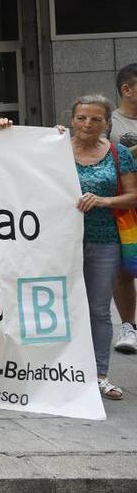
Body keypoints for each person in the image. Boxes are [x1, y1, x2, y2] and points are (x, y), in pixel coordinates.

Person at [68, 94, 135, 400]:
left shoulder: (119, 153)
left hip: (104, 240)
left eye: (96, 119)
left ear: (107, 123)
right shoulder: (54, 149)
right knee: (63, 307)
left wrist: (104, 201)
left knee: (98, 310)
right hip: (61, 242)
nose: (87, 124)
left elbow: (133, 196)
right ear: (72, 120)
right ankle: (61, 373)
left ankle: (99, 375)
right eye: (82, 117)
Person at [110, 63, 137, 355]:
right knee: (126, 271)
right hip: (127, 208)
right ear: (127, 90)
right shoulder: (110, 123)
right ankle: (128, 327)